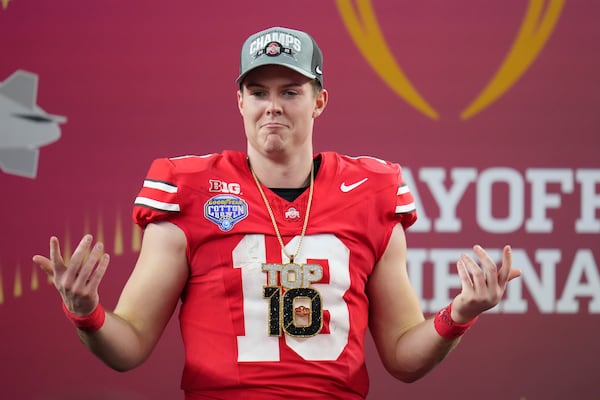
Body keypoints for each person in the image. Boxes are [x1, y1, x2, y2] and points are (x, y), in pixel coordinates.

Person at [33, 26, 521, 399]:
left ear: (319, 101)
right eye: (260, 92)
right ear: (240, 100)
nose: (273, 106)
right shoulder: (189, 189)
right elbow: (131, 345)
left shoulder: (372, 191)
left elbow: (402, 357)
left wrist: (458, 315)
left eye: (290, 91)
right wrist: (86, 313)